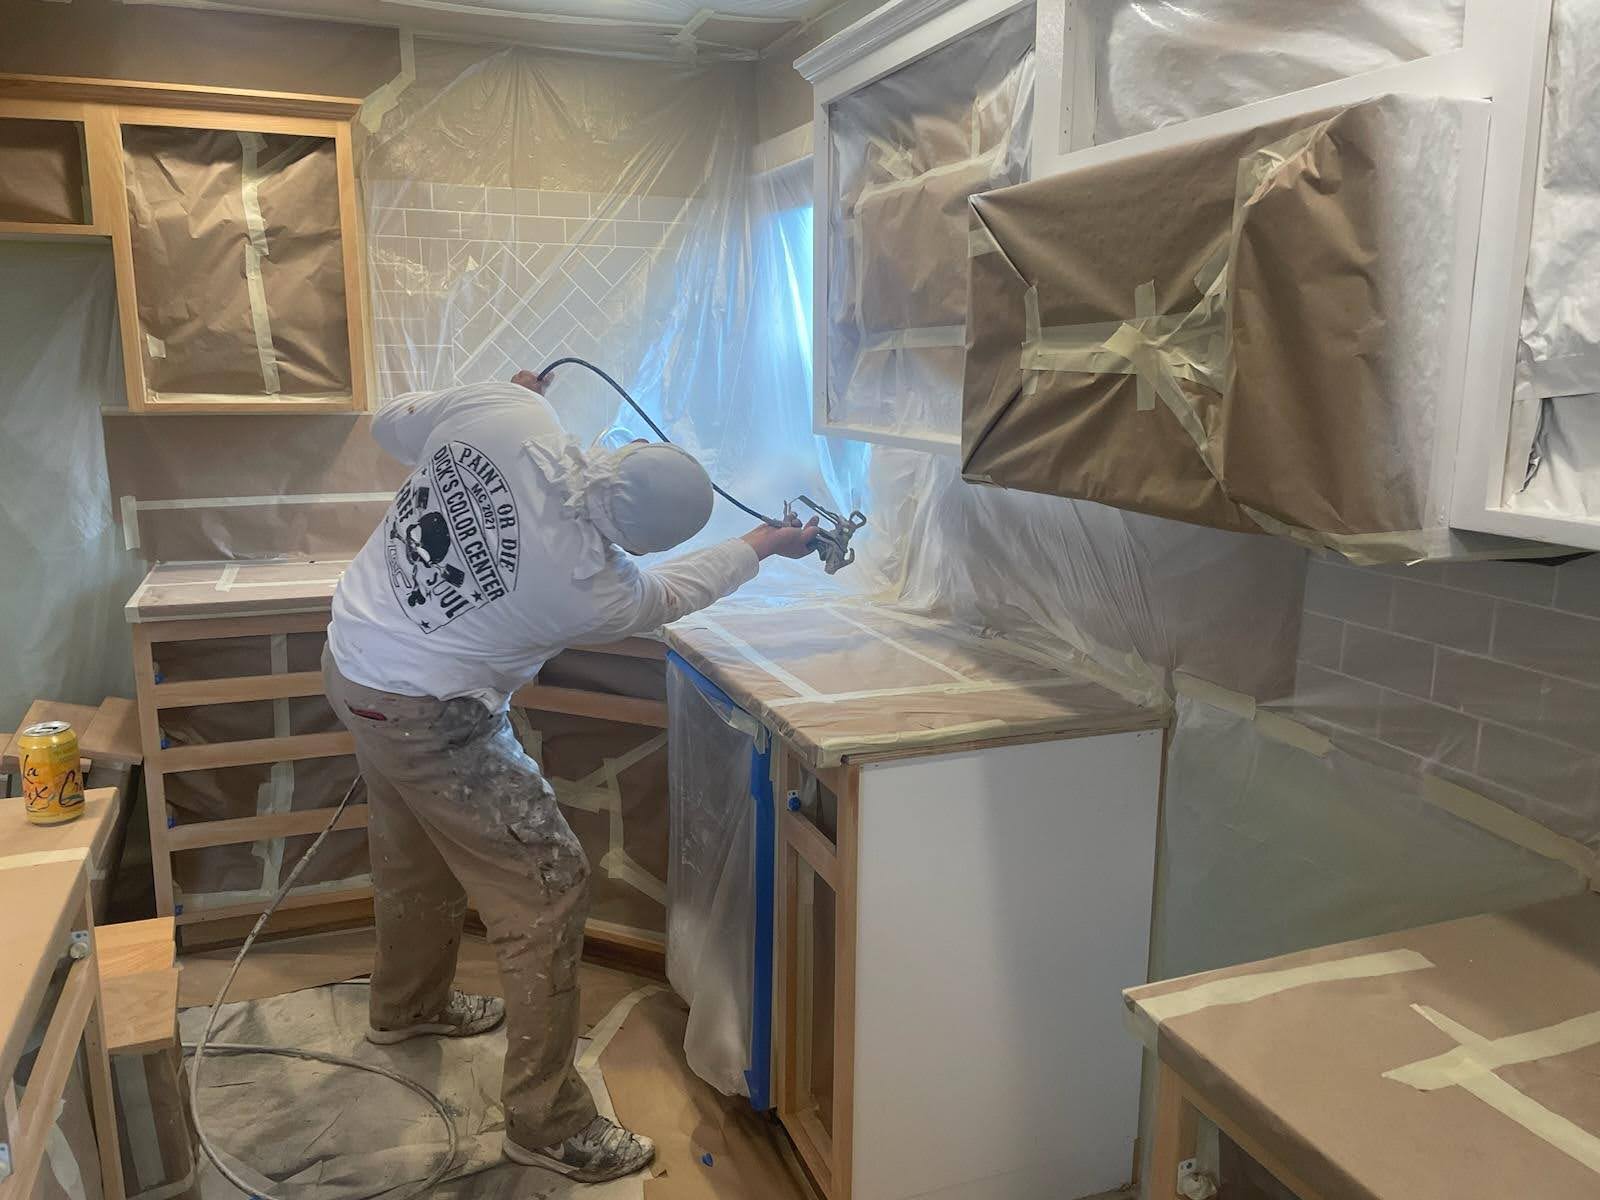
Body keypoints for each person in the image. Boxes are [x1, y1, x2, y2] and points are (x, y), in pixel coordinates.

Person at [322, 370, 817, 1183]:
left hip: (352, 662)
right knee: (548, 892)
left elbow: (390, 426)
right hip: (427, 715)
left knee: (416, 844)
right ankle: (546, 1123)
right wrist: (760, 546)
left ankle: (407, 1007)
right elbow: (672, 592)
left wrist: (485, 388)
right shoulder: (596, 586)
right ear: (641, 539)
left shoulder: (510, 407)